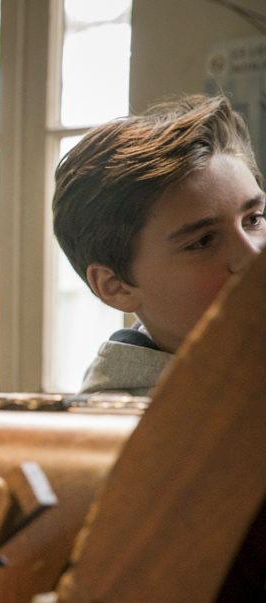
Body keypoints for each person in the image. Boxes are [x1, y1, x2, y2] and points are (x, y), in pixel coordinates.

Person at [53, 93, 265, 395]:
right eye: (203, 241)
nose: (254, 256)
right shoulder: (143, 420)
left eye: (253, 219)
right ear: (116, 287)